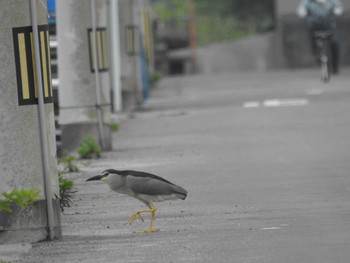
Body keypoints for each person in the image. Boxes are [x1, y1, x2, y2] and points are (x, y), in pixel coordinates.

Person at [297, 0, 344, 74]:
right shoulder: (308, 2)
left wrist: (337, 11)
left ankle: (335, 67)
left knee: (334, 44)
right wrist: (302, 12)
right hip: (314, 29)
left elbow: (339, 8)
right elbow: (301, 9)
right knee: (314, 46)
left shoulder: (332, 1)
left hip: (330, 28)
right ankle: (319, 59)